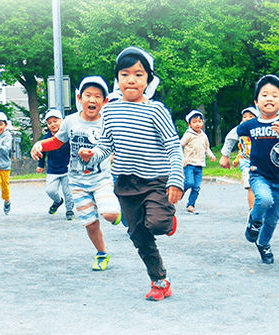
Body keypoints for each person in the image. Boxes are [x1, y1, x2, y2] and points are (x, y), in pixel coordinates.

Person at [78, 47, 184, 301]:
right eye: (125, 74)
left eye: (138, 74)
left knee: (157, 224)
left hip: (156, 181)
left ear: (148, 80)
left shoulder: (156, 110)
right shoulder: (111, 111)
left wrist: (176, 180)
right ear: (118, 80)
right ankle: (159, 281)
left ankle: (166, 217)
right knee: (138, 235)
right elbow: (107, 145)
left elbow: (173, 147)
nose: (131, 80)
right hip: (125, 183)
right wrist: (93, 155)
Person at [31, 76, 121, 271]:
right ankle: (102, 253)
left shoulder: (108, 122)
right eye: (88, 95)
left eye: (98, 96)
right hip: (78, 182)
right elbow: (57, 141)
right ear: (80, 98)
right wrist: (40, 144)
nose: (92, 100)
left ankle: (115, 216)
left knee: (110, 214)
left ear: (104, 102)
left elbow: (119, 145)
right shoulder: (71, 121)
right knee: (90, 223)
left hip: (101, 178)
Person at [237, 74, 279, 264]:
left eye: (274, 95)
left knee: (273, 220)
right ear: (256, 102)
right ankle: (254, 221)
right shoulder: (251, 124)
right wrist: (225, 154)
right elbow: (234, 134)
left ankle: (263, 243)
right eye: (265, 95)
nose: (269, 98)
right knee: (264, 199)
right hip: (258, 174)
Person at [36, 109, 75, 220]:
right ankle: (58, 201)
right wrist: (40, 165)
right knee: (50, 190)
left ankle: (69, 211)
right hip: (53, 169)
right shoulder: (46, 138)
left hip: (67, 169)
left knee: (68, 193)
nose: (53, 124)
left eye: (55, 121)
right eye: (49, 123)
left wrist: (73, 163)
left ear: (62, 121)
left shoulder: (68, 135)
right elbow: (41, 152)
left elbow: (74, 150)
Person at [219, 107, 259, 210]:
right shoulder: (240, 128)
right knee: (251, 186)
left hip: (261, 162)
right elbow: (231, 139)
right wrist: (225, 155)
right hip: (245, 161)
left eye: (251, 116)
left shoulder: (261, 129)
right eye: (245, 116)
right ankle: (252, 211)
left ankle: (263, 208)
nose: (247, 118)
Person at [180, 110, 216, 214]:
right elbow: (179, 146)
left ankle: (191, 204)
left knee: (196, 187)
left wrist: (211, 155)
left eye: (200, 121)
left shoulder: (204, 136)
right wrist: (183, 158)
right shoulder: (188, 135)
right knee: (189, 182)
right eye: (195, 122)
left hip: (199, 164)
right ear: (189, 124)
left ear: (203, 123)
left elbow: (207, 148)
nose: (197, 124)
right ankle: (179, 192)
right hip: (189, 163)